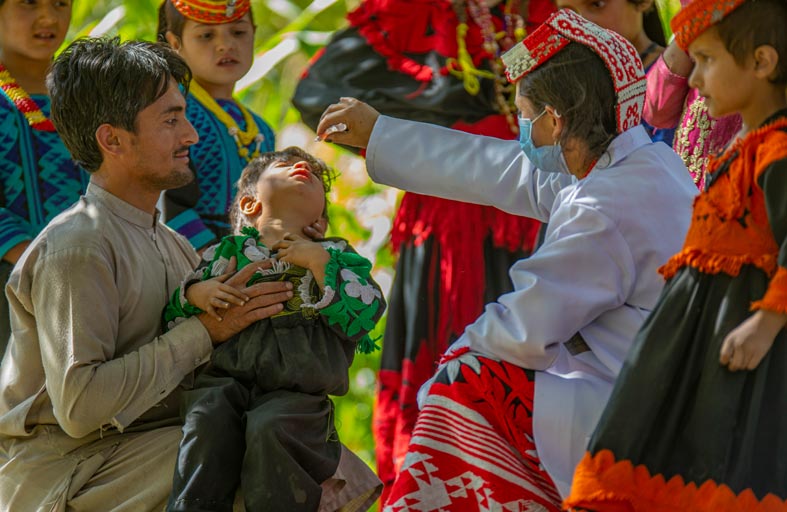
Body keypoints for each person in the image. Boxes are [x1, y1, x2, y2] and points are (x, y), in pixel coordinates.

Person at [317, 9, 698, 509]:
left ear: (555, 120)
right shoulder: (641, 161)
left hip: (635, 402)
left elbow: (523, 329)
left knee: (466, 381)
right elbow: (498, 168)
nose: (520, 128)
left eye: (523, 114)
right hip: (639, 376)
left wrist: (444, 376)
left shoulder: (602, 206)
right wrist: (380, 134)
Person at [0, 37, 297, 511]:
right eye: (171, 120)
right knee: (248, 454)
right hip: (68, 471)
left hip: (141, 448)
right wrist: (204, 331)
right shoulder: (79, 247)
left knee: (291, 434)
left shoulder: (172, 243)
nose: (191, 136)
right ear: (112, 140)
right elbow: (80, 409)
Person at [293, 0, 551, 496]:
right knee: (445, 353)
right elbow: (317, 93)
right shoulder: (414, 11)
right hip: (445, 220)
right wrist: (415, 132)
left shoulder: (543, 10)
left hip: (534, 216)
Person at [566, 0, 787, 509]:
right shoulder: (742, 147)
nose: (697, 76)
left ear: (761, 62)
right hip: (696, 340)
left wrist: (767, 321)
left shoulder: (776, 152)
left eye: (707, 60)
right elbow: (658, 102)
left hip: (741, 339)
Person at [165, 147, 386, 511]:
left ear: (320, 220)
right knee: (206, 421)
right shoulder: (225, 253)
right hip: (223, 382)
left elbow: (367, 314)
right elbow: (173, 316)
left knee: (273, 426)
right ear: (250, 205)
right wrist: (196, 293)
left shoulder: (337, 255)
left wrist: (321, 263)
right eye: (286, 166)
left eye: (314, 175)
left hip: (298, 398)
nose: (302, 167)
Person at [157, 0, 279, 251]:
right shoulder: (172, 114)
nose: (226, 45)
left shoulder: (261, 129)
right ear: (175, 43)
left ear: (254, 33)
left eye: (238, 32)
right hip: (194, 260)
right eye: (206, 35)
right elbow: (167, 202)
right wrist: (215, 262)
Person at [0, 0, 86, 352]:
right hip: (12, 285)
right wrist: (39, 262)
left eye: (60, 3)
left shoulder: (90, 94)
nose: (48, 17)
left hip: (91, 280)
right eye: (29, 3)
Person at [554, 0, 675, 146]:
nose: (582, 22)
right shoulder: (566, 88)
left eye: (597, 4)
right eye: (569, 14)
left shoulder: (675, 78)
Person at [644, 32, 741, 189]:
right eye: (697, 60)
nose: (693, 80)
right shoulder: (702, 25)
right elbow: (656, 108)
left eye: (707, 59)